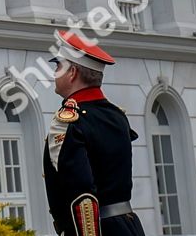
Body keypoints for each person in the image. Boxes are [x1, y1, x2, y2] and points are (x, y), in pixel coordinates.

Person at [41, 30, 146, 236]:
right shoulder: (116, 115)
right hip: (129, 227)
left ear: (72, 73)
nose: (54, 73)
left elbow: (81, 195)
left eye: (58, 66)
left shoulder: (69, 121)